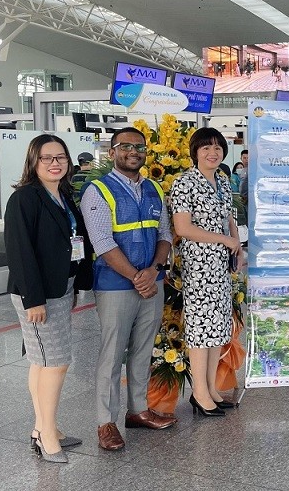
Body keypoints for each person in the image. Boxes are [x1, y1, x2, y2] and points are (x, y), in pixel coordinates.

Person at [81, 127, 176, 451]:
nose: (133, 152)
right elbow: (102, 242)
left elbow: (164, 234)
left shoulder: (153, 188)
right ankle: (105, 422)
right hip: (115, 286)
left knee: (142, 350)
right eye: (125, 146)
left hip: (152, 282)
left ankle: (138, 410)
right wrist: (138, 277)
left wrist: (155, 270)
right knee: (112, 354)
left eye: (139, 147)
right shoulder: (98, 190)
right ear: (112, 152)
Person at [5, 134, 92, 463]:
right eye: (47, 158)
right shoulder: (25, 198)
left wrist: (76, 284)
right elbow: (20, 251)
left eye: (60, 157)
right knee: (56, 363)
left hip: (60, 287)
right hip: (38, 293)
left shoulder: (63, 195)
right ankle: (46, 437)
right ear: (33, 161)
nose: (55, 163)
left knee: (42, 361)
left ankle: (44, 427)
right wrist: (34, 300)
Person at [169, 127, 242, 417]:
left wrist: (236, 242)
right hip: (199, 266)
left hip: (221, 265)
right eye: (206, 148)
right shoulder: (184, 182)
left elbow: (229, 216)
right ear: (195, 152)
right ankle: (199, 392)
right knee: (201, 329)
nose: (213, 153)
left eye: (217, 147)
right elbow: (183, 227)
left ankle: (211, 388)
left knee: (217, 327)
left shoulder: (222, 180)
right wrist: (224, 240)